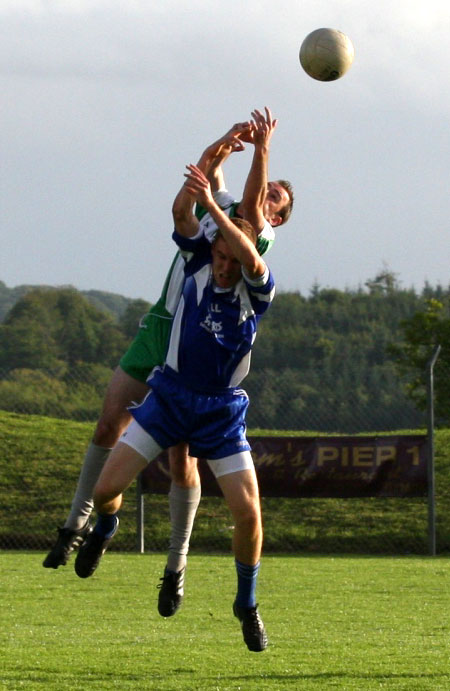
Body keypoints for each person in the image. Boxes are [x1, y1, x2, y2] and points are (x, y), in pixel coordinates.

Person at [43, 110, 293, 593]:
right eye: (266, 189)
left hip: (198, 354)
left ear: (277, 216)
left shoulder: (258, 237)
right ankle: (80, 525)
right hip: (166, 325)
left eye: (274, 197)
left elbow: (244, 208)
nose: (265, 197)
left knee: (183, 462)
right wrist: (224, 142)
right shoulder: (217, 220)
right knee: (107, 422)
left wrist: (261, 153)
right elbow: (205, 181)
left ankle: (175, 566)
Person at [74, 156, 276, 653]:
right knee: (105, 491)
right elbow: (180, 217)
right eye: (220, 259)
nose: (225, 268)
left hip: (220, 411)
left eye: (232, 259)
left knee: (248, 513)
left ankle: (246, 604)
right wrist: (202, 185)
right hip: (170, 396)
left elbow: (251, 256)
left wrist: (224, 193)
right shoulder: (199, 261)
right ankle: (107, 525)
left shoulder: (256, 289)